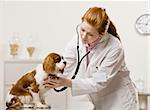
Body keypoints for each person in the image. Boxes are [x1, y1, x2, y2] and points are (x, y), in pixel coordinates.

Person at [43, 7, 139, 110]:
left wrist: (67, 82)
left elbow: (99, 82)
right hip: (98, 99)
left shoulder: (114, 47)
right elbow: (66, 63)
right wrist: (51, 78)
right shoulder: (78, 38)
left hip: (120, 101)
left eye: (90, 34)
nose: (84, 36)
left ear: (102, 34)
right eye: (82, 29)